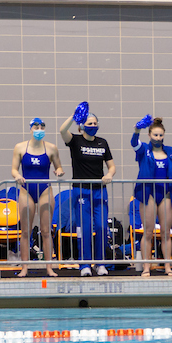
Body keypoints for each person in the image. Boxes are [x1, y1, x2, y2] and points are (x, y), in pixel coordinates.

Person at [59, 103, 115, 277]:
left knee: (100, 226)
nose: (92, 126)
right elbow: (62, 130)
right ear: (82, 125)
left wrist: (110, 175)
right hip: (81, 190)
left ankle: (100, 264)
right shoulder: (75, 140)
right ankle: (84, 264)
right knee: (83, 227)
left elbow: (111, 166)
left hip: (99, 190)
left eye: (94, 123)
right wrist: (74, 115)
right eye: (89, 123)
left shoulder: (102, 143)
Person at [130, 116, 172, 277]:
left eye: (161, 135)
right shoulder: (144, 150)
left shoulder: (170, 151)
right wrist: (136, 130)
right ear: (149, 135)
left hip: (166, 193)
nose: (158, 138)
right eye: (155, 135)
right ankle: (147, 267)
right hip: (149, 194)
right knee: (148, 232)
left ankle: (167, 267)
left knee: (166, 233)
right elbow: (134, 143)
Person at [11, 117, 64, 277]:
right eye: (36, 126)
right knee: (25, 231)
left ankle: (49, 267)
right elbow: (13, 169)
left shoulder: (51, 148)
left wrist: (59, 171)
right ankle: (25, 267)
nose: (39, 129)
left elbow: (58, 165)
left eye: (42, 126)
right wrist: (17, 176)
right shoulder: (20, 147)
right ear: (30, 129)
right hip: (26, 190)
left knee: (46, 231)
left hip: (44, 191)